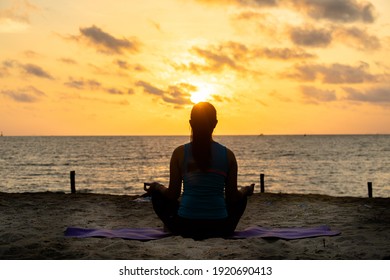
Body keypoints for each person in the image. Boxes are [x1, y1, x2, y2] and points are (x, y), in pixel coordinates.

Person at [144, 102, 254, 239]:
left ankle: (171, 226)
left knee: (158, 196)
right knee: (241, 199)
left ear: (191, 123)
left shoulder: (179, 153)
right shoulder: (228, 155)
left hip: (186, 227)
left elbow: (172, 194)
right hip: (220, 227)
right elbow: (232, 198)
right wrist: (245, 190)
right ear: (215, 123)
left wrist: (157, 186)